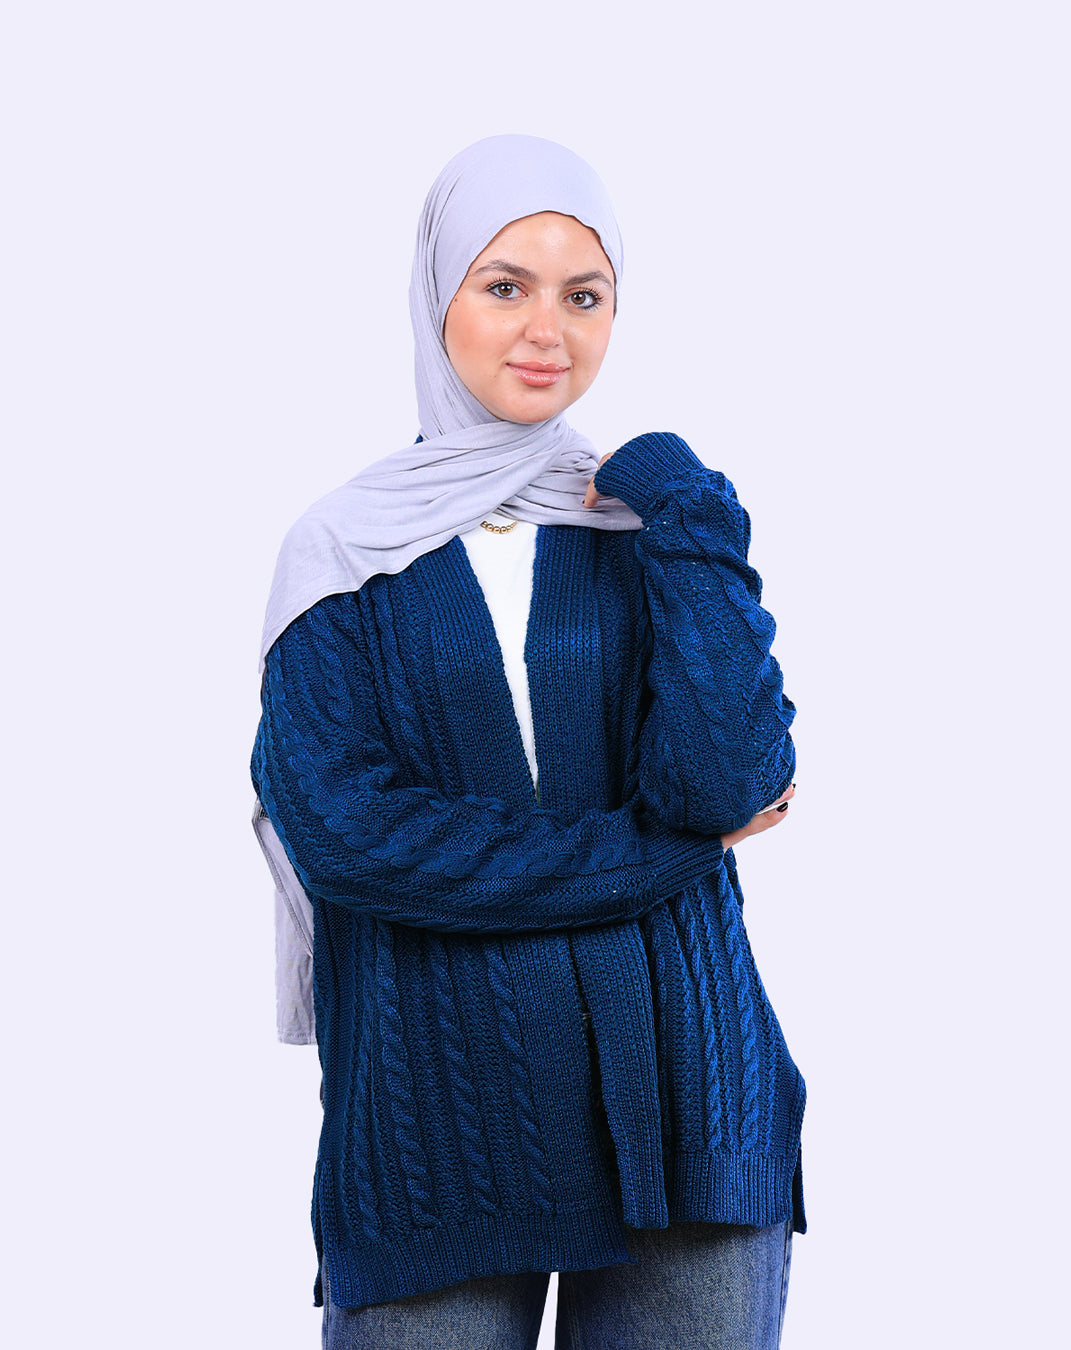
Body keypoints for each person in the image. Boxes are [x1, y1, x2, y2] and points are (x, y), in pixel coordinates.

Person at [251, 133, 806, 1350]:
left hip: (690, 1112)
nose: (547, 330)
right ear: (436, 293)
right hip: (435, 1133)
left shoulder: (646, 522)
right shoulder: (341, 553)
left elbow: (730, 776)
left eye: (584, 296)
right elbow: (351, 839)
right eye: (506, 286)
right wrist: (656, 858)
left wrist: (691, 506)